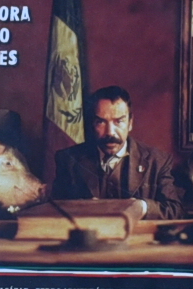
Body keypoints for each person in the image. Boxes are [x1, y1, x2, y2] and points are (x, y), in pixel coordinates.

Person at [52, 85, 183, 219]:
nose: (110, 132)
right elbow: (55, 208)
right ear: (92, 124)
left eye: (119, 121)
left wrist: (142, 207)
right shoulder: (68, 159)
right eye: (101, 122)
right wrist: (83, 207)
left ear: (130, 123)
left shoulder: (158, 161)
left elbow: (174, 210)